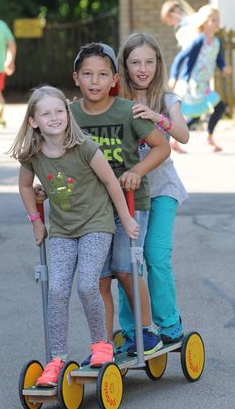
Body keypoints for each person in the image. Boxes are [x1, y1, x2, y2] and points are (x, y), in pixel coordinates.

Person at [8, 85, 139, 386]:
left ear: (67, 114)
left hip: (96, 223)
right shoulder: (32, 154)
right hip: (63, 230)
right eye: (46, 113)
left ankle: (101, 345)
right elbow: (26, 187)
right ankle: (56, 359)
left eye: (59, 111)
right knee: (56, 291)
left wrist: (127, 218)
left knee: (87, 284)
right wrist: (35, 221)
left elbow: (110, 182)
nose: (54, 117)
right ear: (33, 121)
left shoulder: (84, 147)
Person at [69, 42, 171, 358]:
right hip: (91, 208)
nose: (95, 81)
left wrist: (137, 170)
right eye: (87, 74)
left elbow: (161, 147)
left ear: (115, 79)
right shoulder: (69, 115)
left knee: (126, 269)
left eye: (102, 74)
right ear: (76, 78)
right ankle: (102, 345)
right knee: (99, 279)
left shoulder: (127, 111)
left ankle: (145, 331)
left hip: (128, 202)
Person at [117, 31, 189, 345]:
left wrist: (157, 118)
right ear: (125, 65)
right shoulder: (117, 100)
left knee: (155, 256)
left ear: (158, 65)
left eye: (149, 61)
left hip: (161, 190)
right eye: (135, 62)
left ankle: (169, 323)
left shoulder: (168, 100)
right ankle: (134, 329)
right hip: (127, 193)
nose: (142, 68)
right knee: (125, 260)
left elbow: (183, 136)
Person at [169, 4, 232, 152]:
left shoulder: (217, 42)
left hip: (203, 84)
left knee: (217, 108)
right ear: (204, 23)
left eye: (218, 20)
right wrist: (174, 76)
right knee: (197, 114)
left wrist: (224, 67)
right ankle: (176, 139)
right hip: (192, 83)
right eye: (213, 20)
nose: (217, 23)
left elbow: (219, 59)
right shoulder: (199, 40)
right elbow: (180, 58)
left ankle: (206, 137)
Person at [161, 0, 197, 153]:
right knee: (182, 104)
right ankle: (176, 138)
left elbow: (185, 54)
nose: (170, 23)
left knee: (181, 104)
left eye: (169, 19)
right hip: (191, 70)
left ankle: (176, 137)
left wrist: (175, 74)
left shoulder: (185, 26)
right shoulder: (190, 23)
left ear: (173, 13)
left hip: (188, 71)